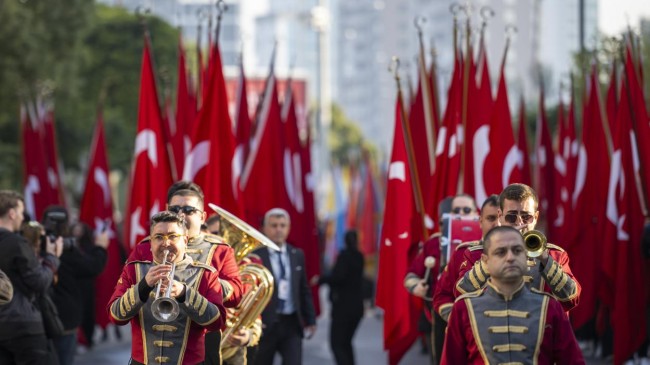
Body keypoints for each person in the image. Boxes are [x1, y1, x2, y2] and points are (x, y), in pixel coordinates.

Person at [128, 181, 244, 365]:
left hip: (203, 339)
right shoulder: (145, 246)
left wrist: (202, 282)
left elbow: (237, 293)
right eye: (175, 209)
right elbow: (125, 289)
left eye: (189, 210)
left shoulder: (219, 249)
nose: (181, 214)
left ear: (202, 216)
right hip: (153, 339)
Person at [441, 226, 585, 364]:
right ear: (485, 261)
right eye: (500, 252)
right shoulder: (464, 308)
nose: (510, 257)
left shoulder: (550, 307)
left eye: (517, 251)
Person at [108, 210, 226, 364]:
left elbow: (218, 322)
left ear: (185, 240)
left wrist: (185, 293)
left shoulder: (205, 274)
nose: (166, 243)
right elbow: (115, 316)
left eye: (172, 236)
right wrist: (144, 286)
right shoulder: (133, 270)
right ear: (150, 243)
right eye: (158, 237)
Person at [456, 183, 581, 312]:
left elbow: (571, 298)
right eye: (511, 217)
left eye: (526, 217)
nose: (519, 223)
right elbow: (461, 292)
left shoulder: (555, 255)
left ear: (536, 217)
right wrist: (496, 252)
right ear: (500, 216)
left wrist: (545, 260)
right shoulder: (476, 254)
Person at [404, 194, 477, 363]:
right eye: (456, 210)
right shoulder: (434, 243)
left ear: (476, 213)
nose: (461, 213)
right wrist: (417, 286)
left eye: (466, 210)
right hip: (439, 316)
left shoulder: (486, 242)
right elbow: (411, 275)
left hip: (474, 315)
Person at [0, 190, 63, 364]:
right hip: (23, 327)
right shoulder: (17, 243)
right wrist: (52, 257)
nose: (22, 217)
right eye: (20, 212)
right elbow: (40, 282)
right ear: (12, 213)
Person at [252, 208, 316, 365]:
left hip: (292, 323)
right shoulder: (256, 256)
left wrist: (311, 319)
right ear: (264, 228)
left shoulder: (297, 254)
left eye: (282, 225)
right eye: (274, 225)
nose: (278, 229)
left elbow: (303, 288)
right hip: (265, 325)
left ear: (288, 228)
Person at [432, 194, 499, 323]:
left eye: (502, 218)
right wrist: (460, 322)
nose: (497, 224)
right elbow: (442, 295)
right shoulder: (462, 253)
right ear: (480, 221)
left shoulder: (523, 252)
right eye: (491, 218)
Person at [319, 230, 364, 365]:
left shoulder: (345, 257)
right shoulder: (359, 256)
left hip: (343, 308)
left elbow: (339, 277)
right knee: (346, 342)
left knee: (337, 343)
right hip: (357, 307)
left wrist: (321, 279)